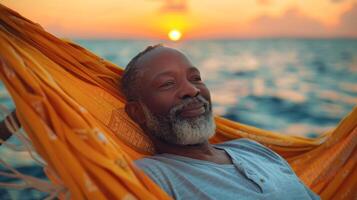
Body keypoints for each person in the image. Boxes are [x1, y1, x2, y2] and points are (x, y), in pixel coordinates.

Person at [0, 45, 320, 200]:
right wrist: (33, 105)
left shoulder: (253, 150)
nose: (191, 90)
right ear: (138, 113)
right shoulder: (150, 179)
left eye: (195, 78)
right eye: (167, 84)